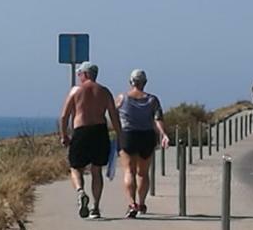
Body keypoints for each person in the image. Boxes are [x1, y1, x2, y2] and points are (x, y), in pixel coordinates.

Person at [59, 62, 122, 219]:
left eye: (79, 73)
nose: (79, 76)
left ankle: (80, 191)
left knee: (75, 167)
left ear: (85, 74)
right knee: (96, 170)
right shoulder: (104, 91)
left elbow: (64, 116)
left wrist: (64, 135)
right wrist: (120, 134)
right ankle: (96, 207)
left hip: (81, 130)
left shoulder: (76, 90)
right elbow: (113, 115)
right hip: (100, 132)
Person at [116, 69, 170, 217]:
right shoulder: (153, 100)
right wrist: (163, 134)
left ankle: (132, 203)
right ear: (145, 82)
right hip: (147, 136)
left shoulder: (122, 98)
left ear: (130, 81)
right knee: (143, 173)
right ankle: (141, 203)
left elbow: (113, 116)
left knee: (129, 171)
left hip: (128, 136)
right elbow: (158, 119)